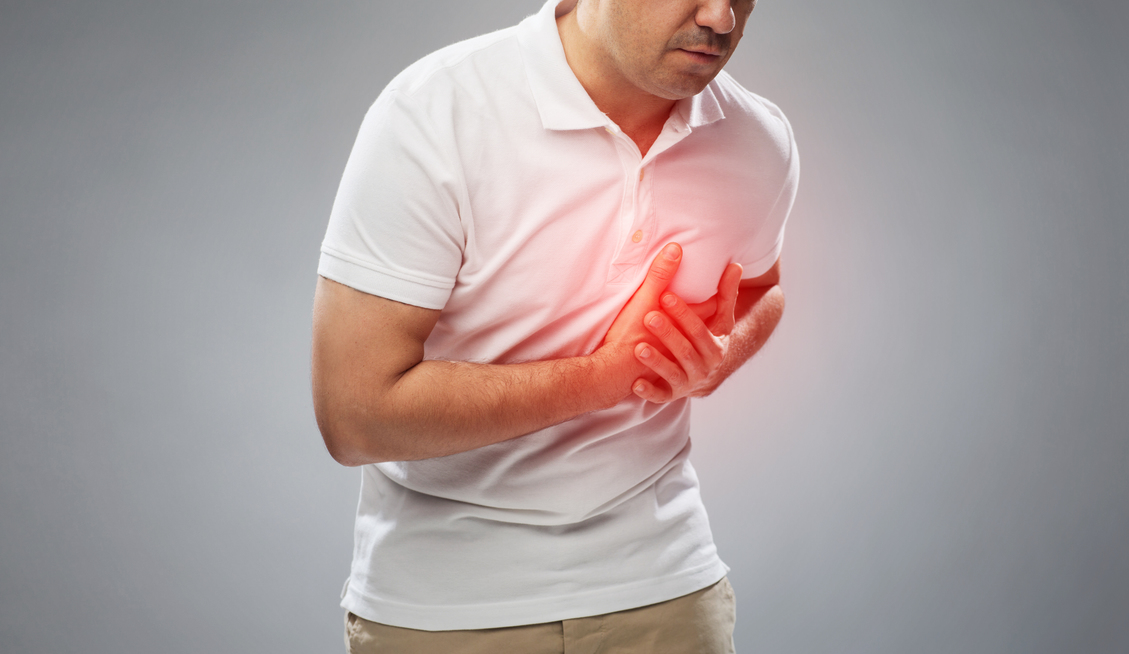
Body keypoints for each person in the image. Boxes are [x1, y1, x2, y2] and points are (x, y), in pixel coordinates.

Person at [311, 0, 798, 650]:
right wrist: (605, 378)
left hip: (668, 594)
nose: (721, 17)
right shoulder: (435, 112)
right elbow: (357, 416)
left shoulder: (756, 138)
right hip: (444, 613)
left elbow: (762, 288)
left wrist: (719, 354)